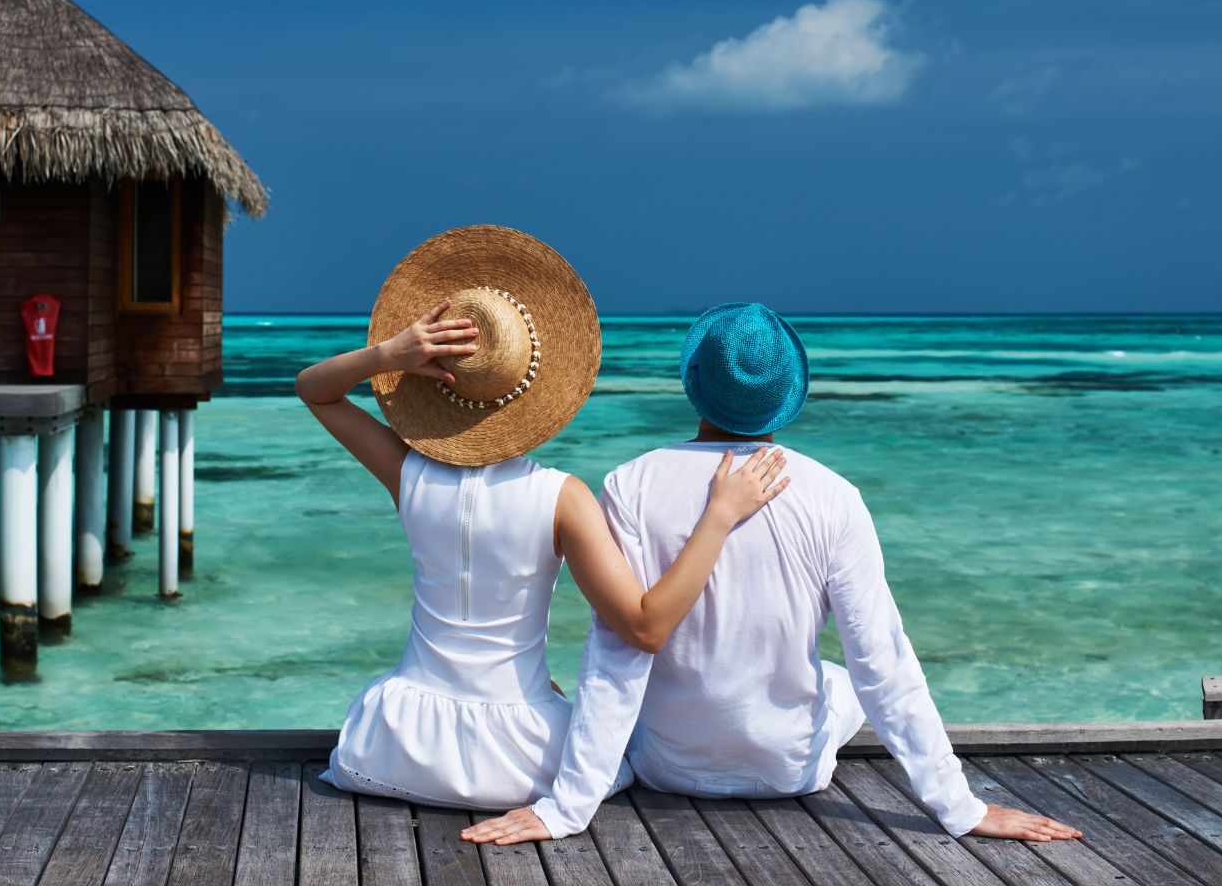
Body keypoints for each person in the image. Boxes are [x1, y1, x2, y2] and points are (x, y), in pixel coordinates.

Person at [463, 303, 1083, 845]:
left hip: (668, 766)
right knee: (846, 676)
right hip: (791, 772)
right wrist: (961, 807)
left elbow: (617, 653)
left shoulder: (631, 483)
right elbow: (884, 663)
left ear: (694, 382)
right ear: (788, 391)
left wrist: (567, 807)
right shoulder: (832, 495)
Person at [296, 227, 790, 812]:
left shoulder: (408, 474)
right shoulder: (561, 497)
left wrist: (386, 356)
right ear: (538, 386)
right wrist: (720, 515)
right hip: (517, 760)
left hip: (392, 746)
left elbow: (314, 390)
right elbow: (645, 628)